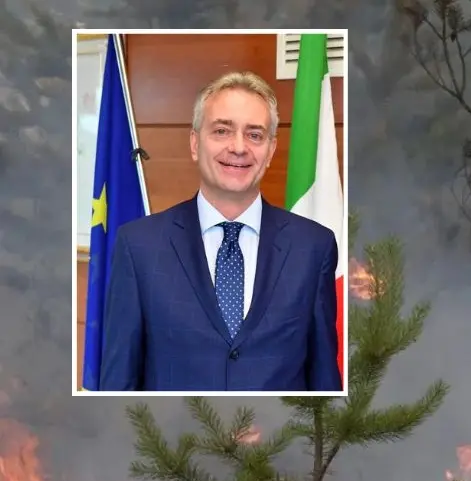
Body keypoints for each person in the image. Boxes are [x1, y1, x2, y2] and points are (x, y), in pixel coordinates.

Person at [97, 71, 342, 392]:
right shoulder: (139, 246)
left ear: (270, 150)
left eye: (254, 135)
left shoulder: (313, 247)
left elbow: (324, 384)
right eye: (222, 131)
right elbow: (118, 385)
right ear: (195, 144)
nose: (238, 147)